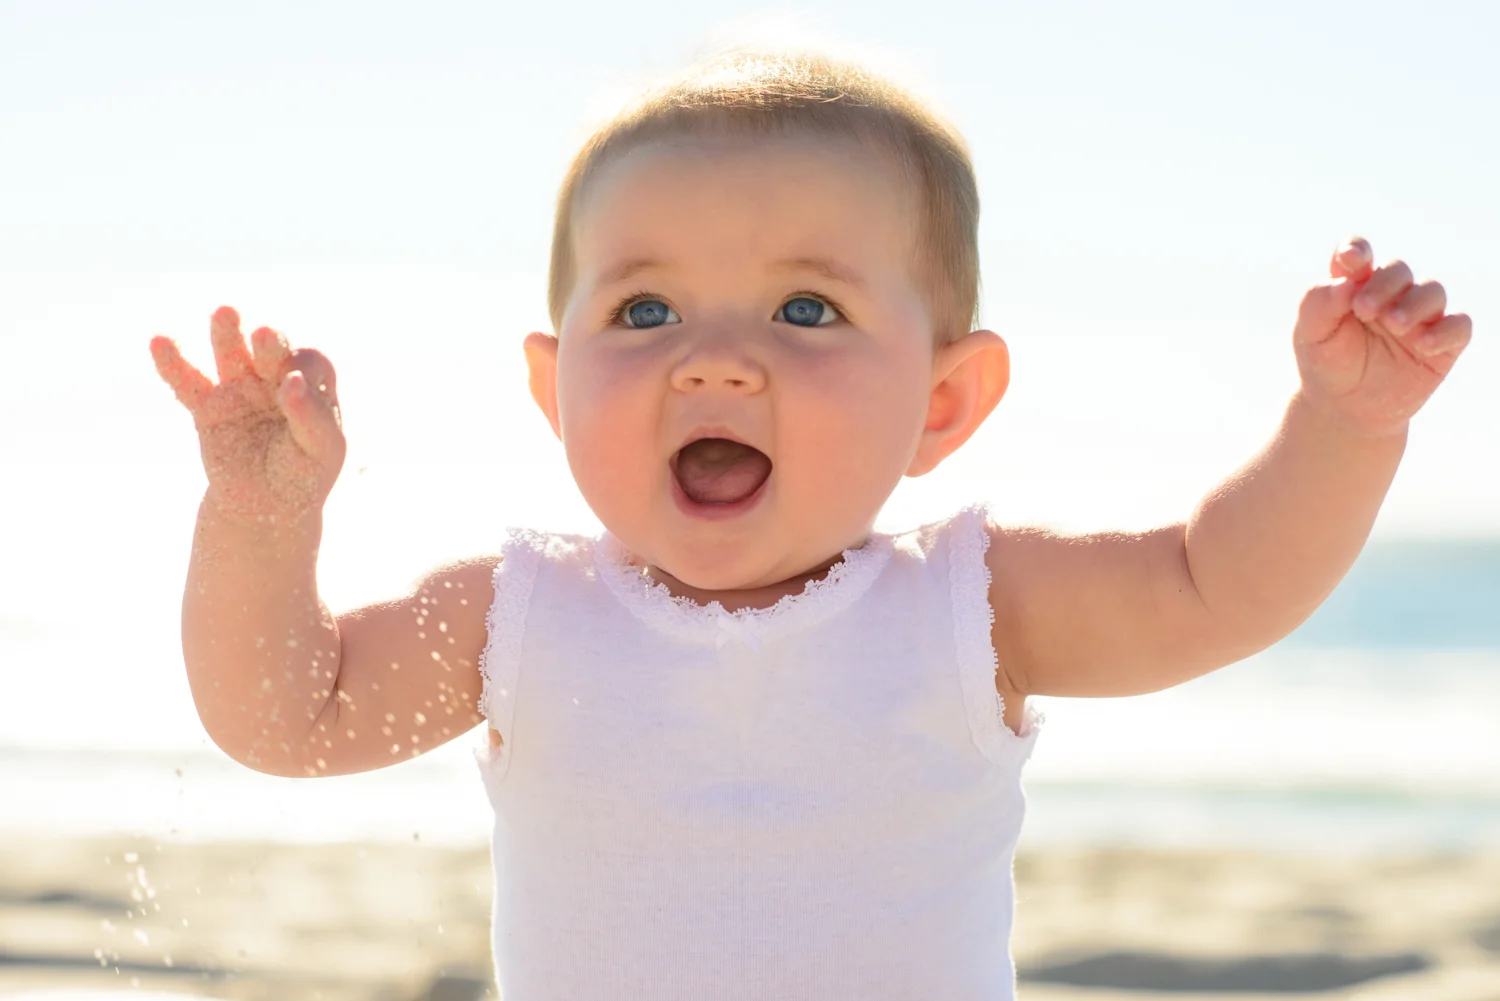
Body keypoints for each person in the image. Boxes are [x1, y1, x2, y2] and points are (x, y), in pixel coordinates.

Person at [148, 49, 1473, 1001]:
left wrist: (1344, 428)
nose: (715, 363)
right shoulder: (517, 616)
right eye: (647, 311)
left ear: (944, 403)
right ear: (556, 390)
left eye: (807, 311)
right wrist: (259, 524)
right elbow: (289, 715)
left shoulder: (966, 608)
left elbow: (1213, 585)